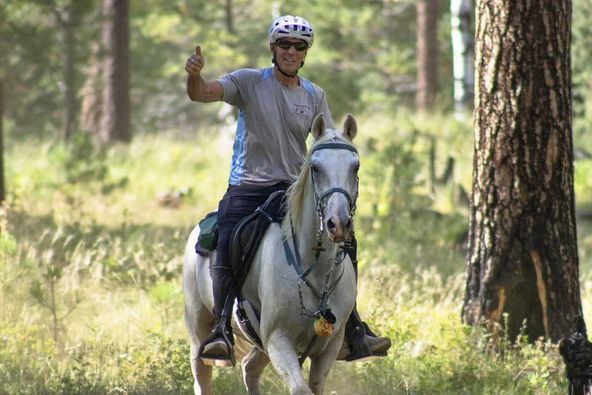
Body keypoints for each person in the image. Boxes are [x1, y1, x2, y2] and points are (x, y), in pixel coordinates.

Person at [185, 15, 391, 366]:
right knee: (228, 235)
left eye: (299, 46)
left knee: (344, 239)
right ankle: (221, 327)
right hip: (248, 186)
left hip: (293, 190)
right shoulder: (248, 82)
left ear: (306, 52)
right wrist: (194, 75)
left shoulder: (314, 95)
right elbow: (202, 93)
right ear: (273, 48)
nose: (291, 51)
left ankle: (353, 328)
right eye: (285, 44)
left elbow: (325, 142)